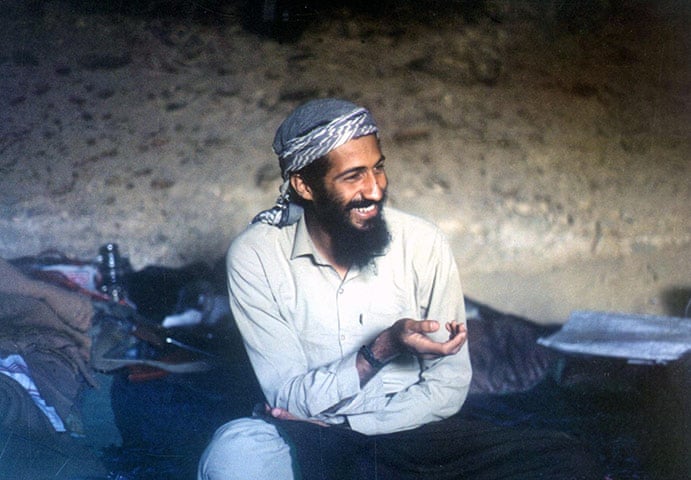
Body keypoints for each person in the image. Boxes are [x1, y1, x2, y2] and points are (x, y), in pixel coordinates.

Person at [198, 98, 603, 479]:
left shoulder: (422, 243)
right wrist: (383, 348)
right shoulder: (256, 256)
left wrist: (360, 429)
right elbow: (288, 397)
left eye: (378, 168)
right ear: (304, 185)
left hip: (407, 430)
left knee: (567, 460)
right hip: (305, 433)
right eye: (353, 176)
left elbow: (446, 386)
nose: (374, 189)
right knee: (233, 457)